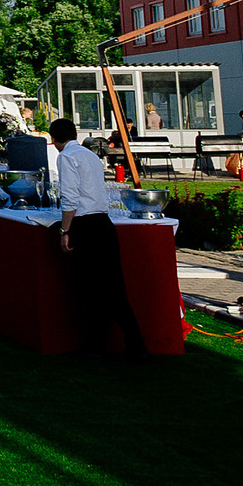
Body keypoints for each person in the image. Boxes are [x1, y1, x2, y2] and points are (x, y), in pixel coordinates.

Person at [53, 117, 148, 359]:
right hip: (104, 222)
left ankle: (96, 344)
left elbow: (71, 198)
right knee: (115, 289)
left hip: (85, 224)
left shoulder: (66, 157)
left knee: (88, 288)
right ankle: (135, 344)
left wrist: (65, 231)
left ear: (55, 140)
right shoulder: (90, 155)